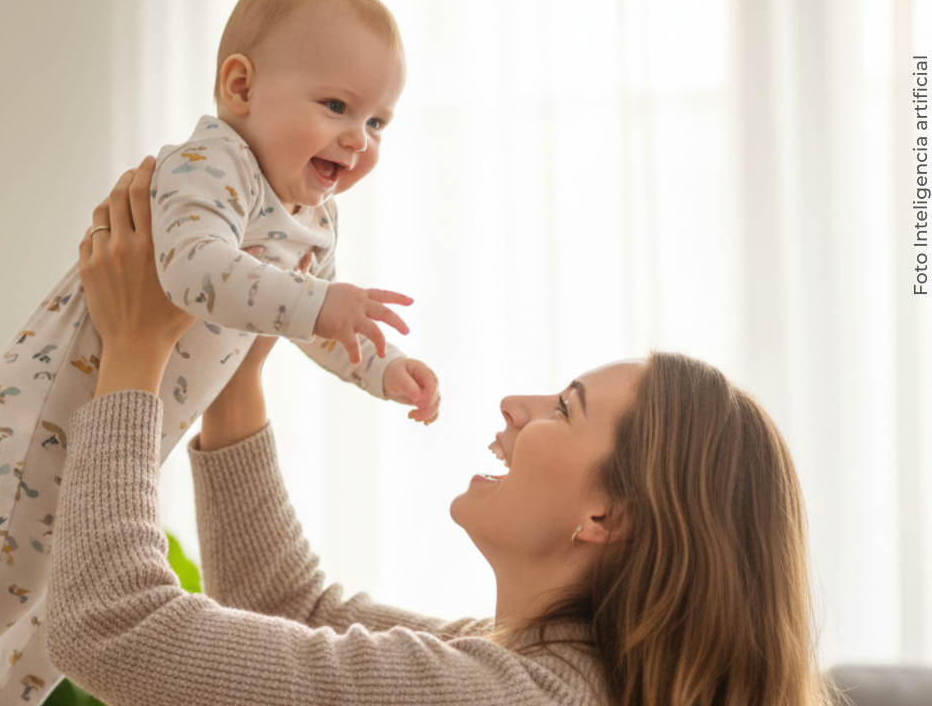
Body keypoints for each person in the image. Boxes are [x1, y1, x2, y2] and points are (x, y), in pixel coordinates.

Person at [43, 161, 833, 706]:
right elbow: (290, 609)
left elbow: (111, 627)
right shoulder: (548, 669)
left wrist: (135, 349)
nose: (515, 406)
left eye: (565, 407)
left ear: (607, 518)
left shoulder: (502, 693)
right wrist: (239, 370)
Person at [0, 0, 441, 705]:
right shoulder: (211, 164)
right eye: (336, 107)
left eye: (378, 121)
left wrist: (384, 370)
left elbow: (313, 328)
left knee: (58, 625)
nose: (359, 138)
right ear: (241, 86)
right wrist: (321, 301)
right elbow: (193, 270)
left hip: (112, 442)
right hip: (37, 425)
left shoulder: (315, 222)